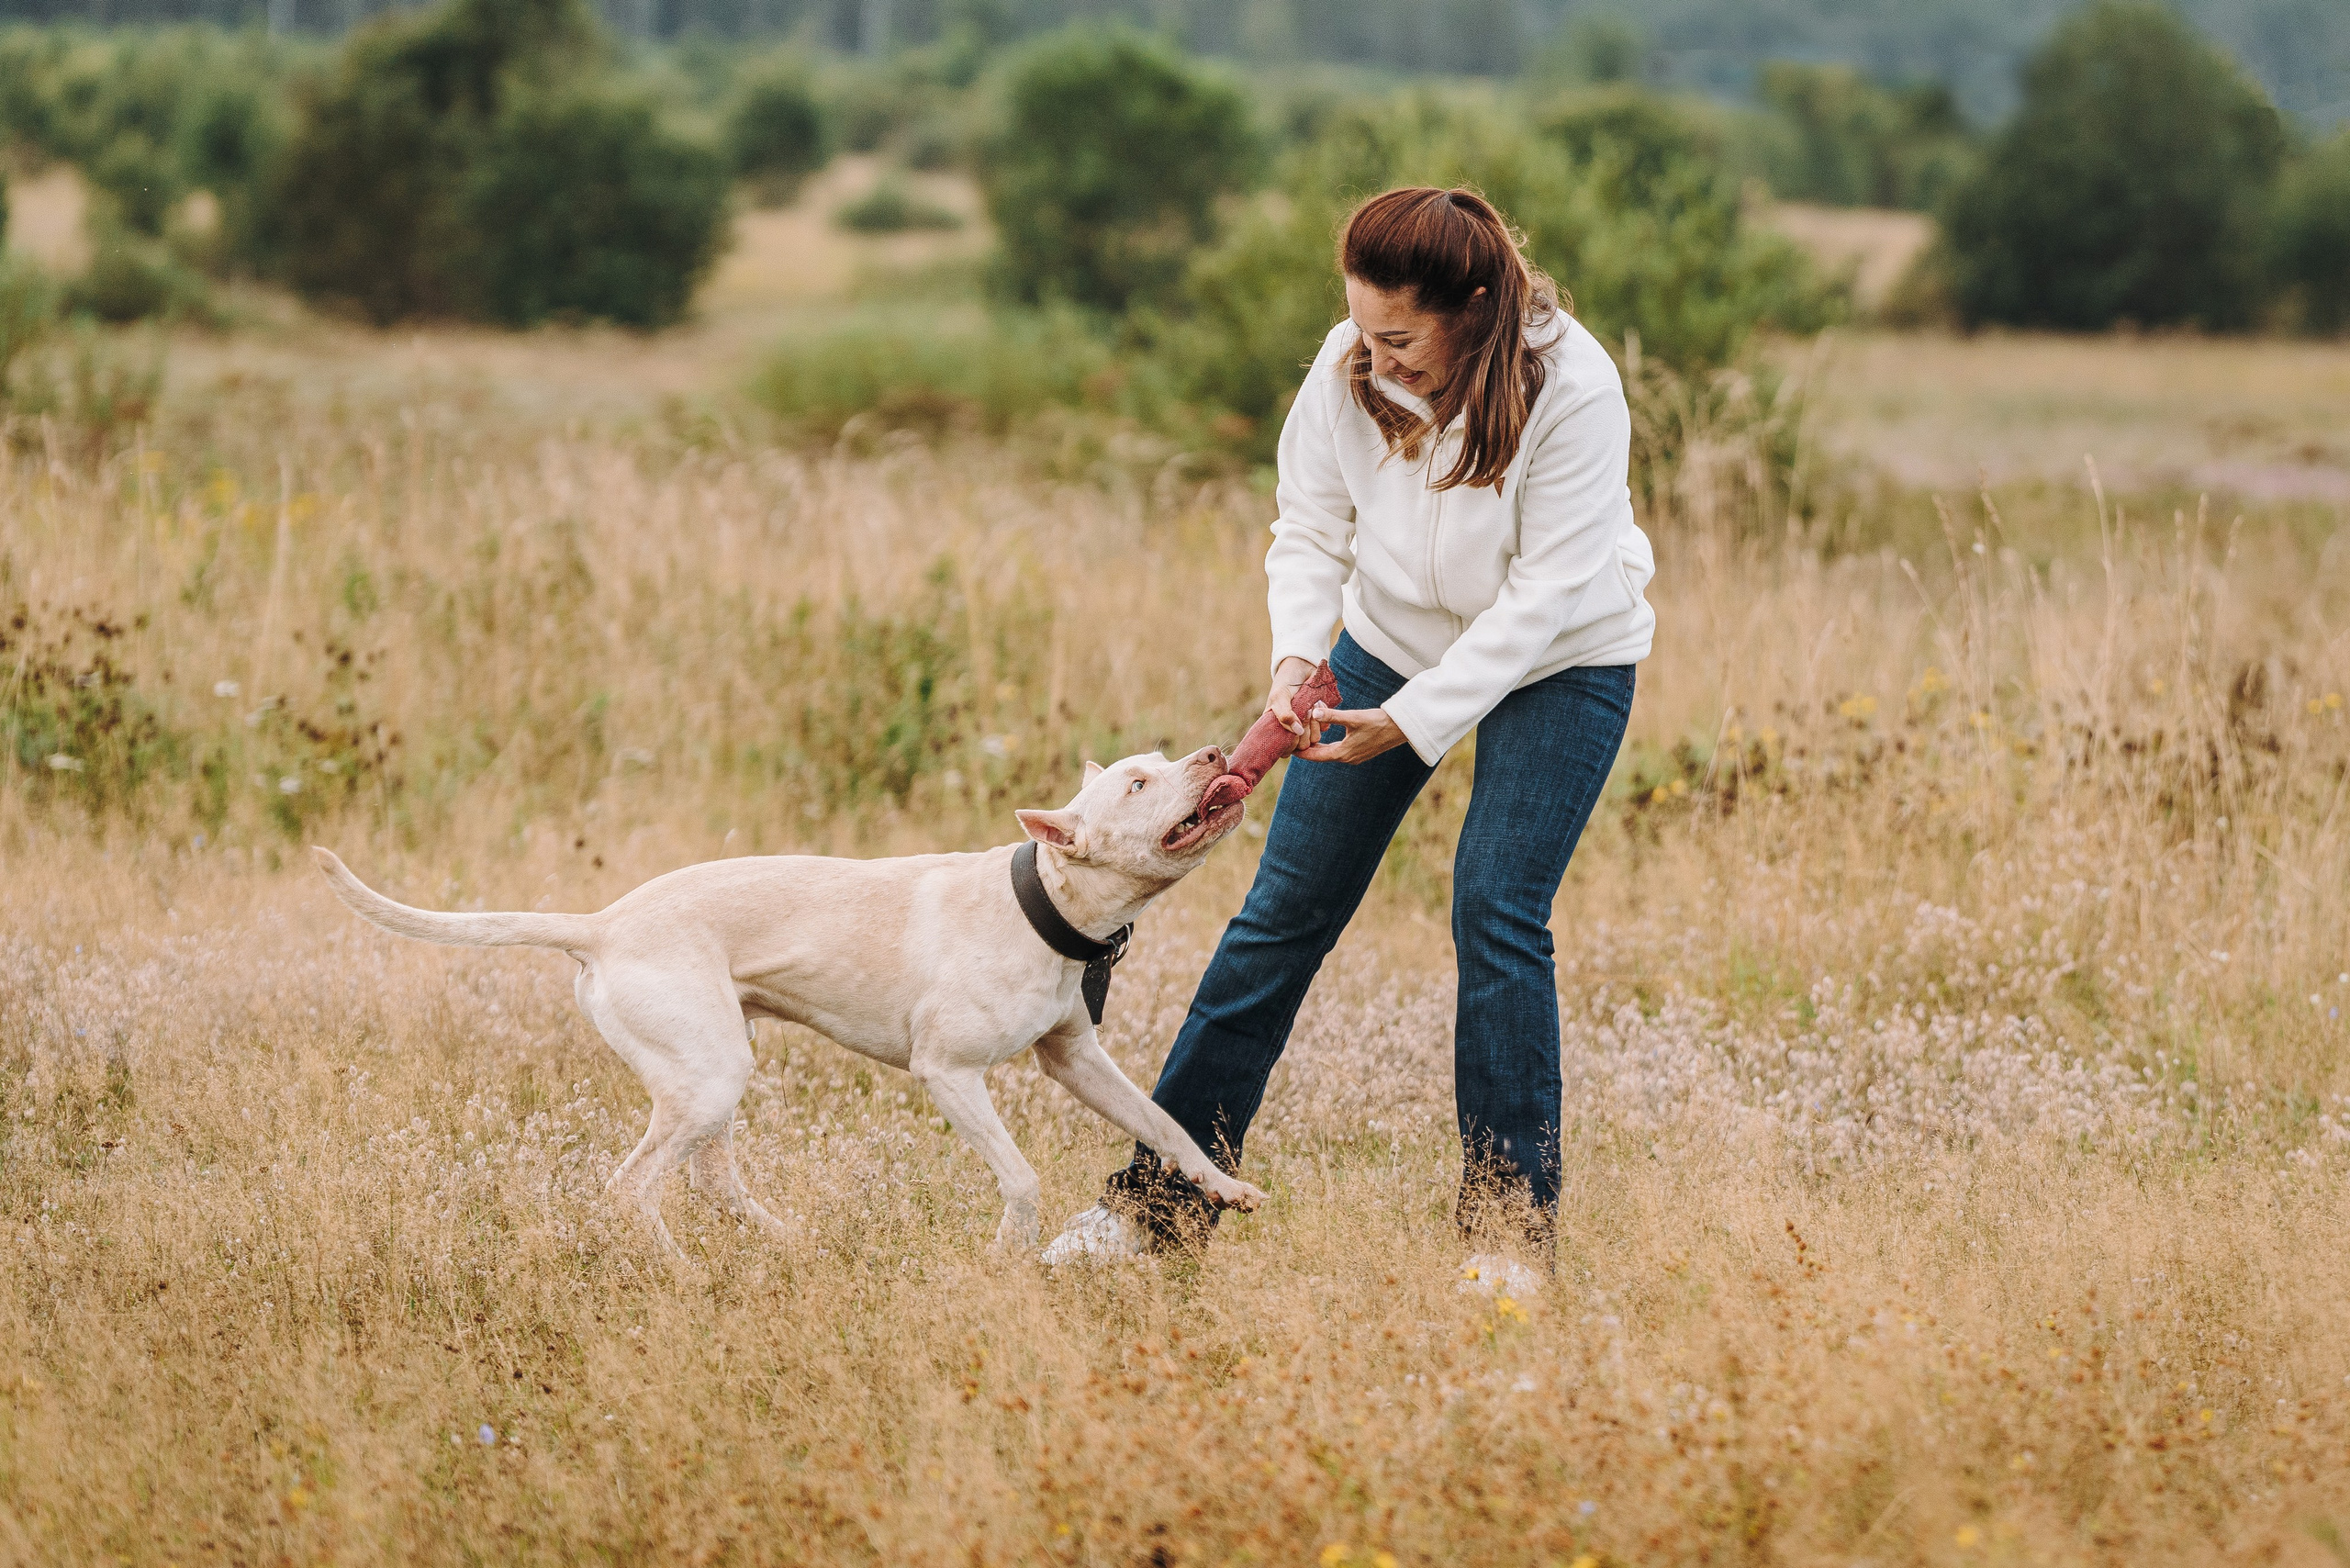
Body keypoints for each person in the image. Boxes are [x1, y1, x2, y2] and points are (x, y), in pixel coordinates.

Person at [1044, 185, 1654, 1282]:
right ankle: (1158, 1207)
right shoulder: (1347, 364)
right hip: (1384, 643)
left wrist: (1412, 721)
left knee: (1496, 911)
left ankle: (1508, 1238)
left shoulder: (1576, 386)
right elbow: (1309, 525)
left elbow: (1543, 596)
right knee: (1281, 913)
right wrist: (1296, 658)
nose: (1374, 358)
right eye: (1362, 330)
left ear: (1474, 307)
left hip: (1562, 660)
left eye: (1400, 339)